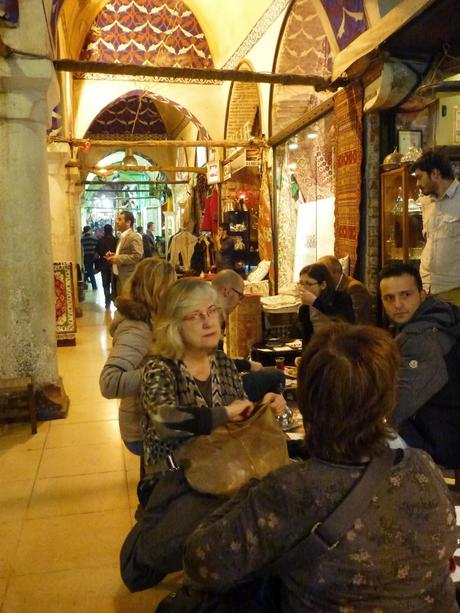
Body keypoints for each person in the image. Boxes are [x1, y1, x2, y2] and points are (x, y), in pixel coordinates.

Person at [183, 323, 459, 612]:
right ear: (388, 398)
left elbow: (201, 563)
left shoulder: (290, 489)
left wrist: (252, 488)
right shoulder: (420, 467)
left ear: (308, 398)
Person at [120, 280, 285, 590]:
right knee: (151, 557)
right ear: (174, 326)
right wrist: (223, 414)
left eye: (211, 311)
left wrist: (263, 408)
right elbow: (165, 421)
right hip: (176, 478)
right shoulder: (159, 368)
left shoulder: (221, 362)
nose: (209, 321)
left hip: (224, 466)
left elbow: (237, 420)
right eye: (195, 316)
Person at [379, 262, 460, 467]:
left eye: (405, 295)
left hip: (442, 442)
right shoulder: (441, 317)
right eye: (389, 298)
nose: (397, 304)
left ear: (422, 295)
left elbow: (400, 403)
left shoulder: (423, 338)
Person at [99, 258, 176, 456]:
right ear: (155, 290)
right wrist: (162, 372)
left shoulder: (151, 318)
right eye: (171, 287)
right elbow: (109, 382)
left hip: (151, 418)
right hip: (140, 429)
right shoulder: (136, 327)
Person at [212, 269, 286, 408]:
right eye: (240, 296)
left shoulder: (209, 313)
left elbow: (218, 361)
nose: (240, 302)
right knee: (277, 376)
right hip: (218, 391)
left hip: (215, 384)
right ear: (227, 291)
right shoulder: (213, 317)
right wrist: (247, 365)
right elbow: (216, 365)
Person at [412, 151, 460, 304]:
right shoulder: (427, 202)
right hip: (426, 287)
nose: (417, 184)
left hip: (453, 290)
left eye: (420, 177)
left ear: (435, 174)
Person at [293, 262, 355, 347]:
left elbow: (345, 320)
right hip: (318, 351)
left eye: (308, 284)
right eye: (301, 283)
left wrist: (315, 302)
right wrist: (305, 357)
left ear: (323, 285)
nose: (303, 288)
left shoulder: (341, 298)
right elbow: (307, 338)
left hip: (341, 349)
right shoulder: (305, 308)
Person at [318, 255, 373, 323]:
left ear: (337, 271)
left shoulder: (354, 288)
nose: (321, 277)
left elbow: (358, 320)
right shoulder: (330, 287)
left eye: (324, 273)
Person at [104, 210, 143, 293]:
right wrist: (114, 255)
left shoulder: (134, 237)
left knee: (127, 304)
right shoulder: (122, 237)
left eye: (120, 219)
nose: (117, 222)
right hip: (118, 277)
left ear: (128, 222)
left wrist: (117, 258)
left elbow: (138, 256)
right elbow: (125, 253)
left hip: (128, 278)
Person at [96, 224, 118, 308]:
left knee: (105, 284)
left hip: (103, 265)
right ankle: (115, 301)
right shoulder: (116, 240)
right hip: (114, 264)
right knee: (114, 283)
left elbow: (97, 253)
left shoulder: (100, 240)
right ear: (112, 230)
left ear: (104, 231)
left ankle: (107, 302)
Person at [80, 225, 98, 290]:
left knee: (88, 270)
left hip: (86, 256)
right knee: (91, 271)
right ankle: (94, 286)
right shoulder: (93, 238)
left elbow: (82, 246)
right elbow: (97, 245)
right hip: (92, 256)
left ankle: (84, 281)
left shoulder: (82, 239)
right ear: (89, 230)